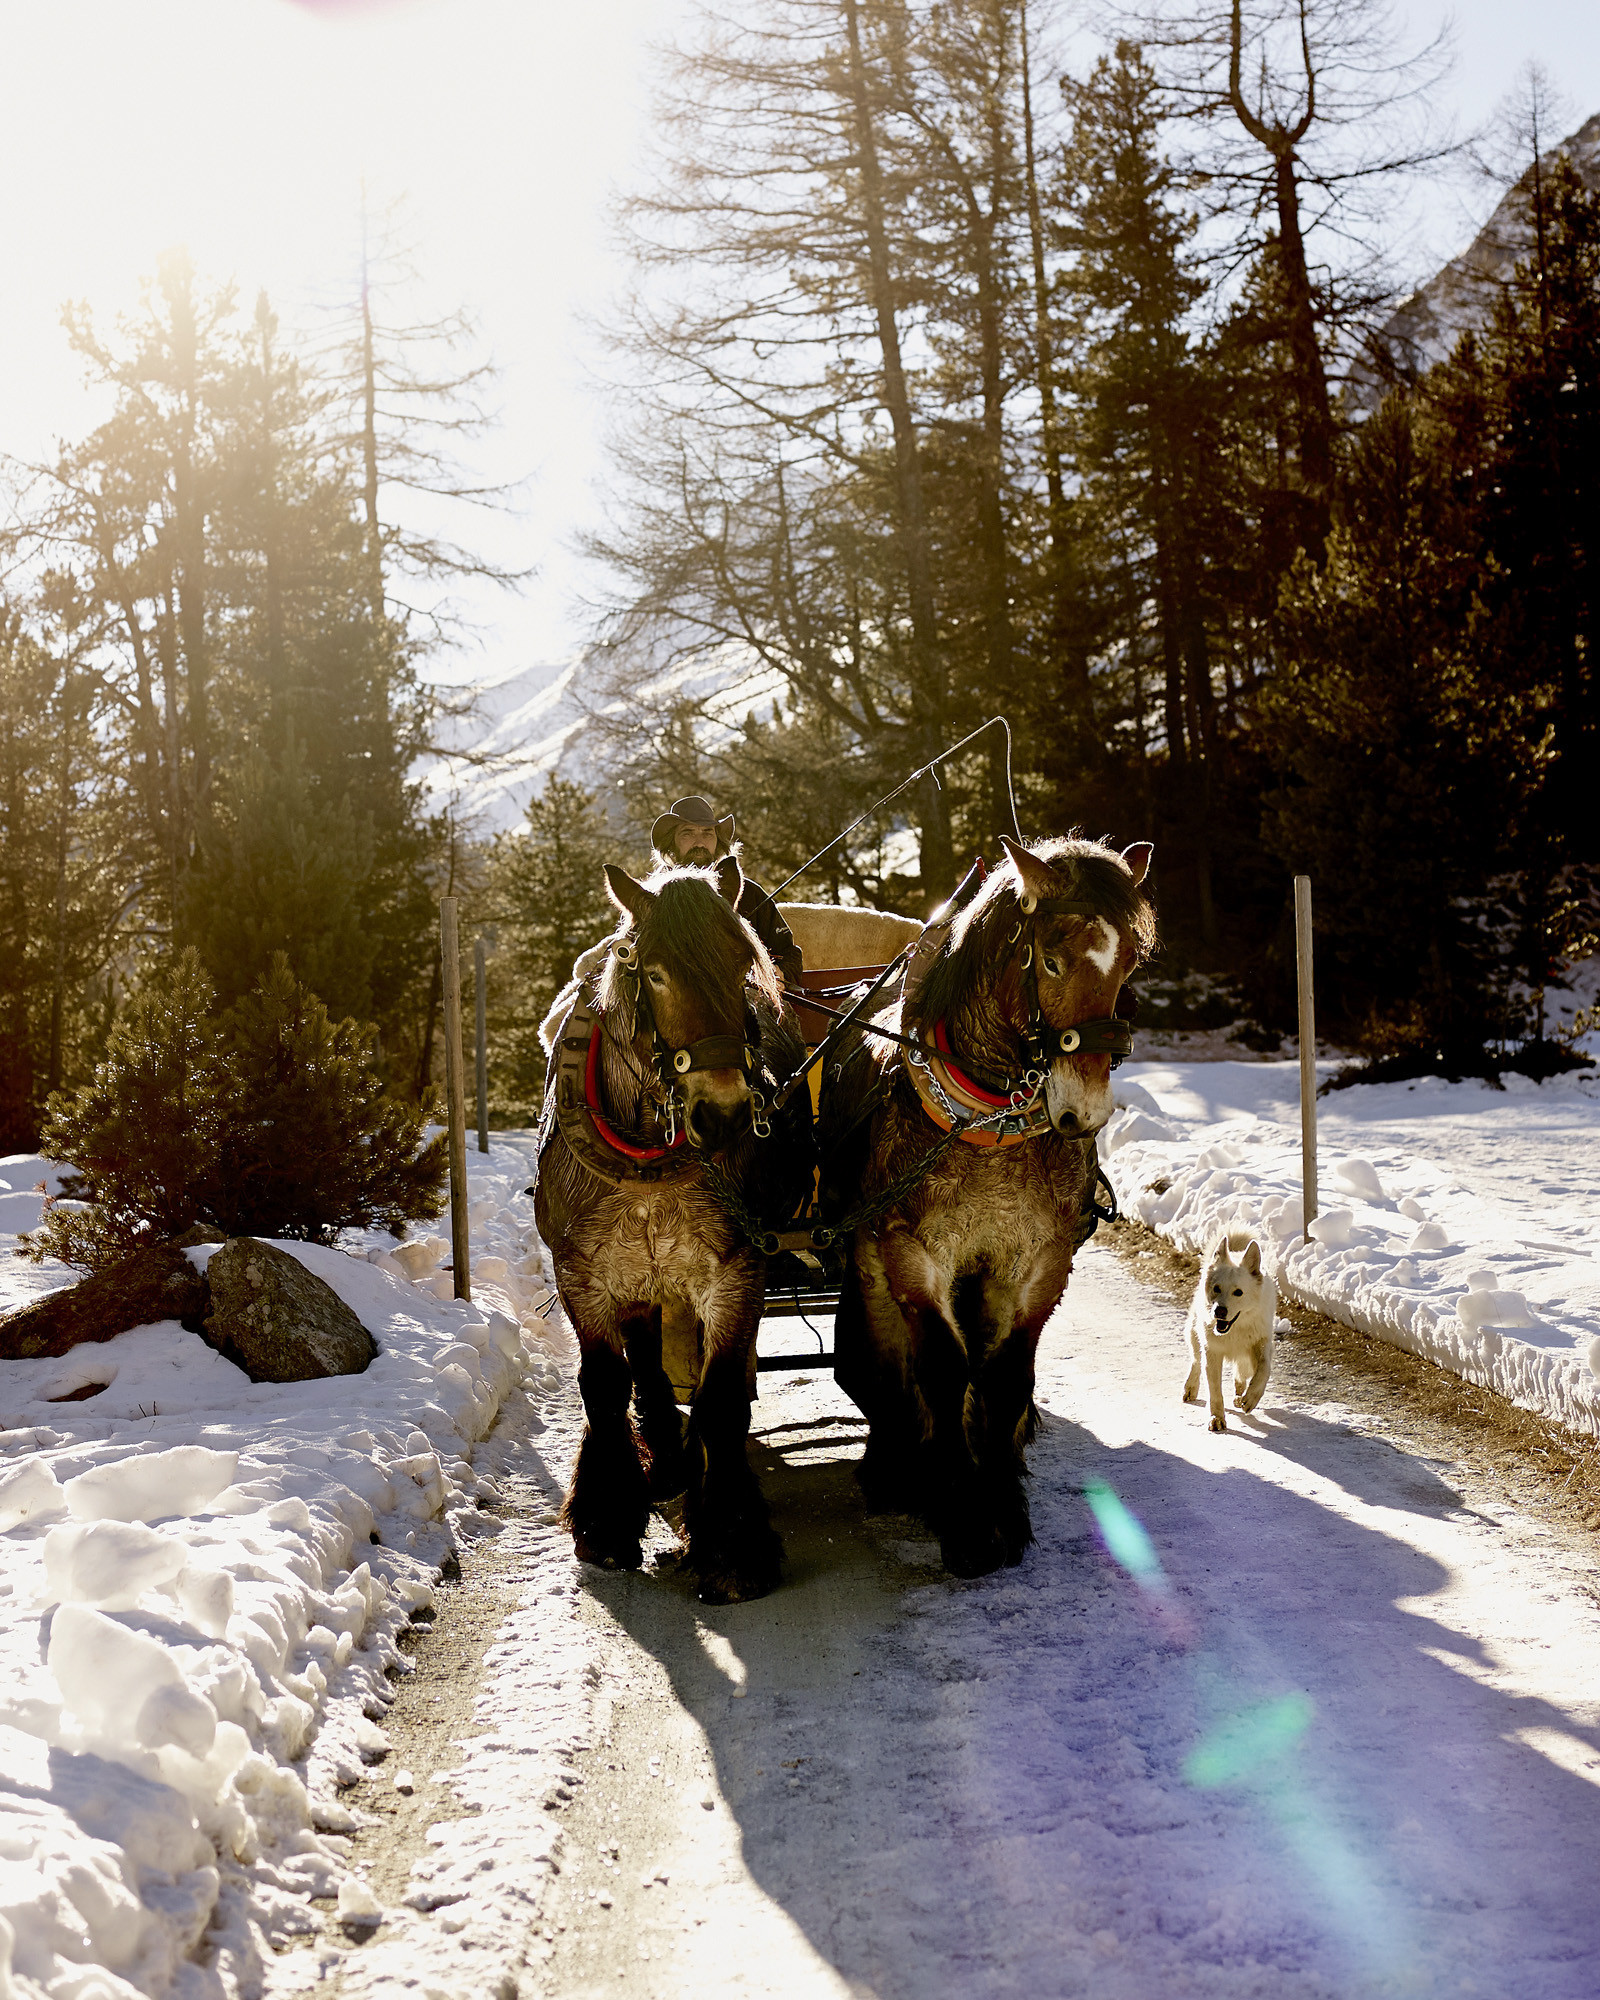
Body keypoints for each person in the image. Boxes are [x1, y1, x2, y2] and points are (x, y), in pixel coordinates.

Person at [650, 796, 803, 987]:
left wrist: (778, 972)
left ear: (718, 841)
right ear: (671, 844)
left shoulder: (749, 893)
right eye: (687, 833)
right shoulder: (654, 898)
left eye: (707, 833)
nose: (699, 843)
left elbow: (790, 955)